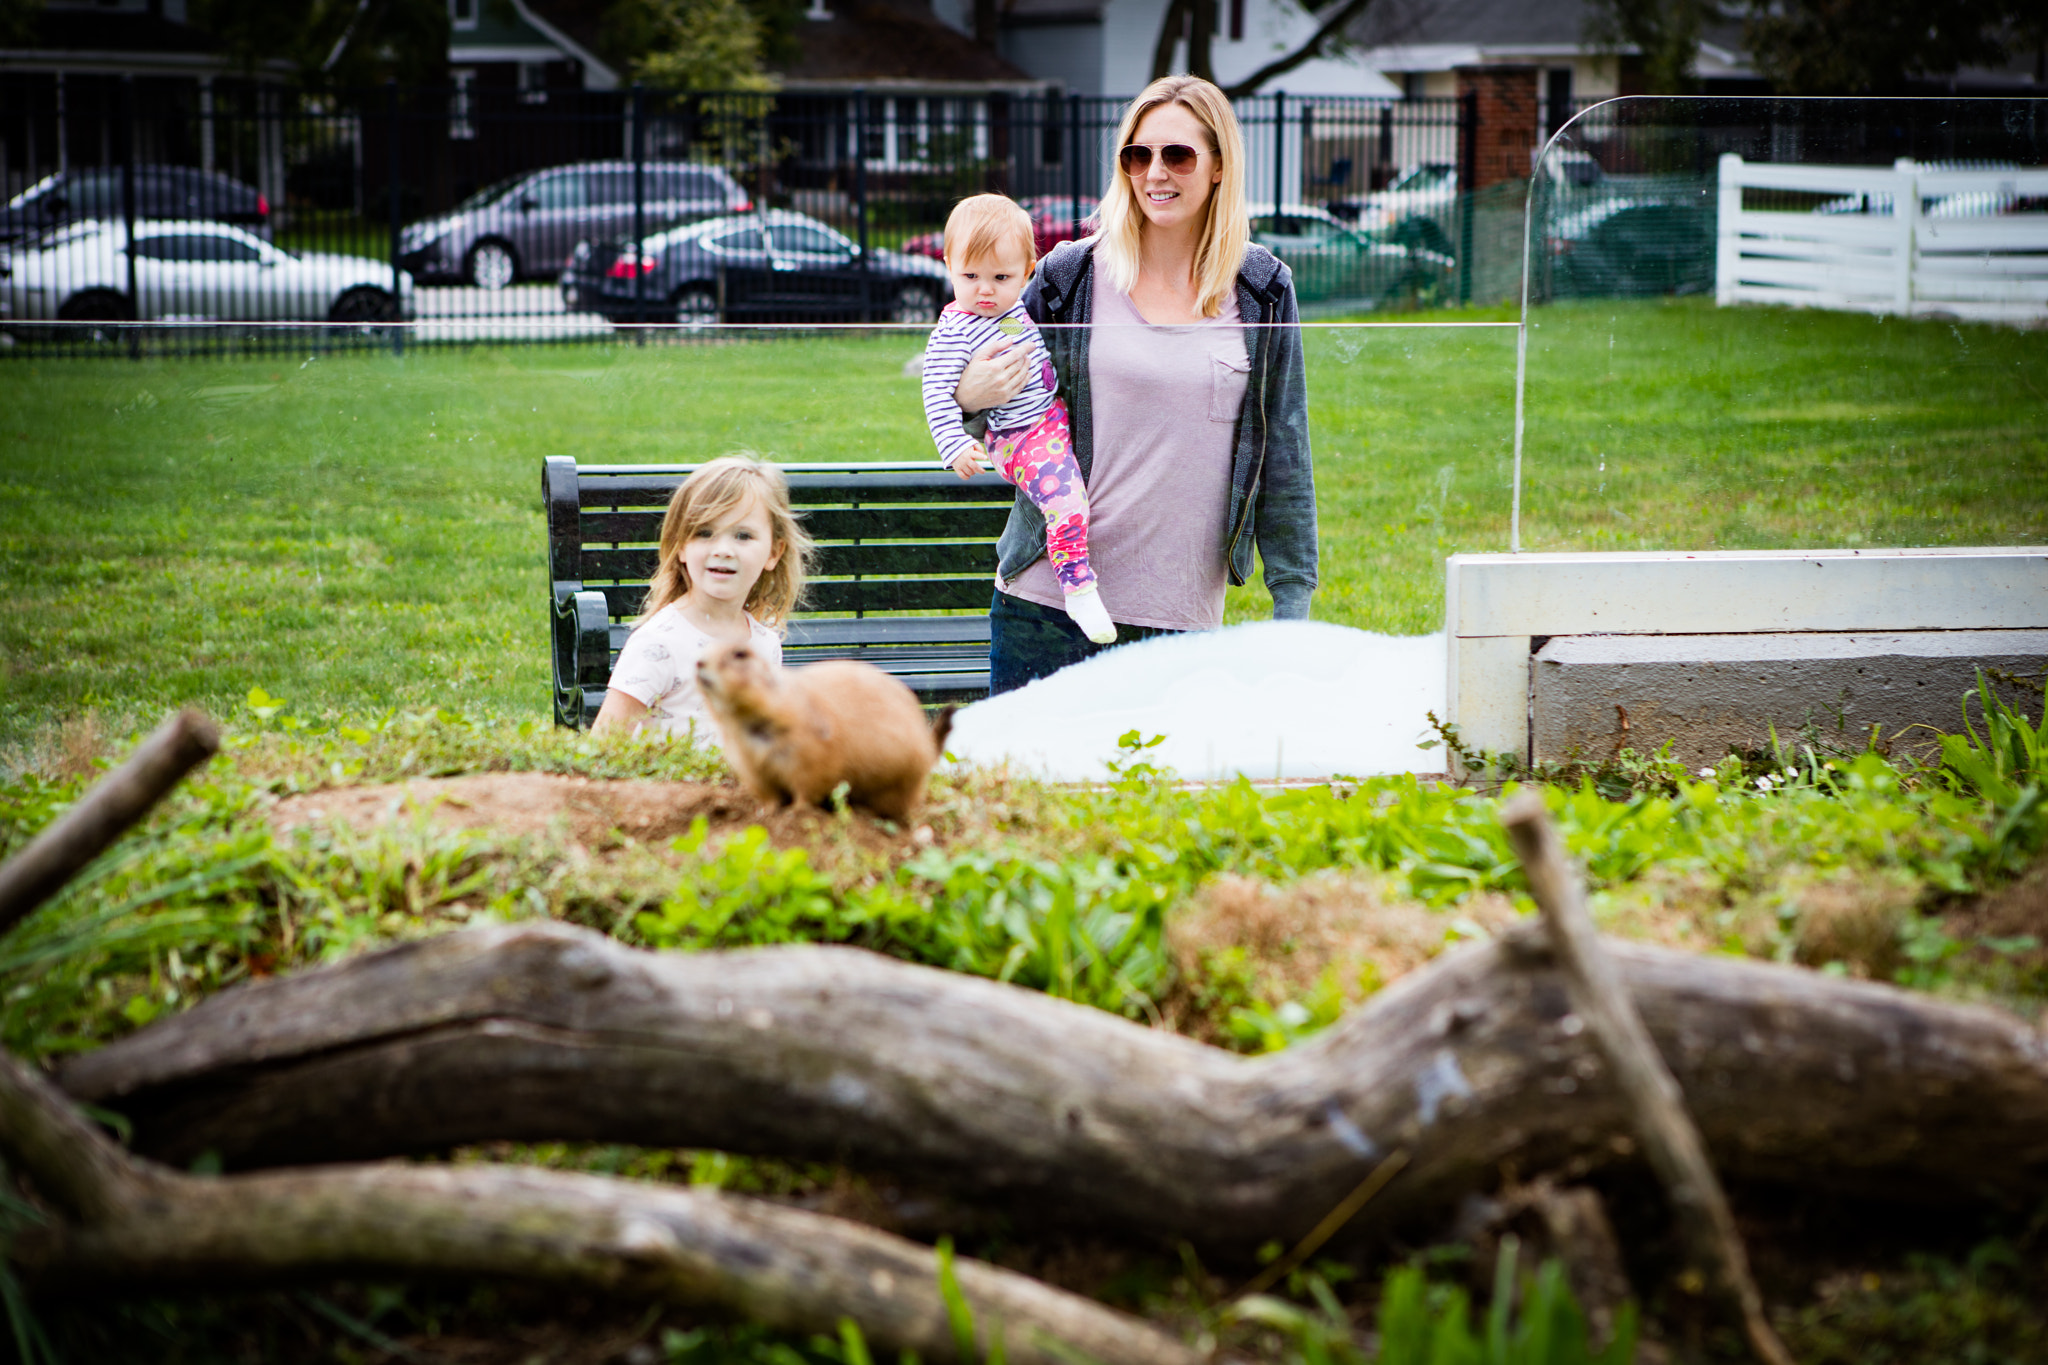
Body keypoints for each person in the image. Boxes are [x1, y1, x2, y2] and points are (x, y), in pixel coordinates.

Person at [951, 75, 1317, 694]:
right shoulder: (1070, 276)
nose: (1155, 173)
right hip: (1045, 605)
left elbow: (1285, 449)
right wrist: (970, 398)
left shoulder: (1262, 288)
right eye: (1137, 155)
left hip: (1180, 622)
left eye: (1177, 154)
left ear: (1220, 165)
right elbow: (978, 391)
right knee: (1028, 790)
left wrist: (1292, 605)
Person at [921, 193, 1115, 645]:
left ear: (1029, 270)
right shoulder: (956, 330)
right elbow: (937, 392)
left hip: (1050, 416)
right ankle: (1079, 586)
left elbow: (1032, 349)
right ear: (948, 264)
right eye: (969, 276)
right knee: (1066, 504)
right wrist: (954, 445)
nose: (984, 290)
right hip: (1020, 436)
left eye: (1000, 277)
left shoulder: (1008, 313)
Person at [591, 455, 815, 741]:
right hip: (664, 784)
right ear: (681, 546)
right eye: (705, 533)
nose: (723, 549)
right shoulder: (659, 643)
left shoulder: (765, 644)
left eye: (743, 536)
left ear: (774, 552)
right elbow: (604, 742)